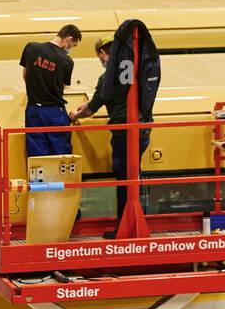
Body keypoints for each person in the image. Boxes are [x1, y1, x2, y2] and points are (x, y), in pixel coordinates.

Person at [70, 36, 151, 238]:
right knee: (134, 175)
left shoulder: (106, 78)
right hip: (143, 130)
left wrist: (75, 115)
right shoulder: (138, 71)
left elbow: (91, 109)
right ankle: (136, 220)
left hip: (123, 133)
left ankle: (124, 228)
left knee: (124, 178)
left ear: (102, 54)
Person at [19, 25, 81, 157]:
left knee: (37, 156)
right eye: (73, 45)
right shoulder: (66, 61)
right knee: (61, 155)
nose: (70, 48)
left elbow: (25, 75)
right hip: (55, 112)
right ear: (69, 39)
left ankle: (39, 178)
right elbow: (62, 86)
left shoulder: (31, 48)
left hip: (33, 110)